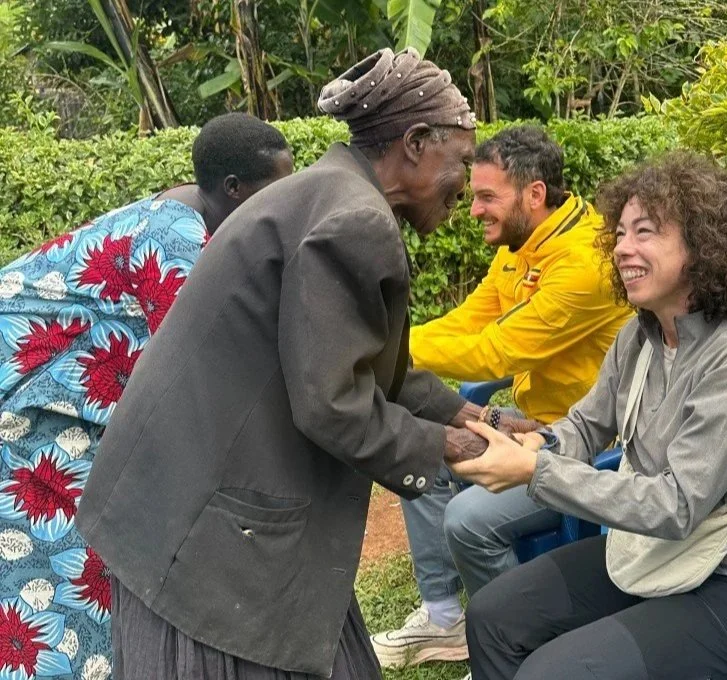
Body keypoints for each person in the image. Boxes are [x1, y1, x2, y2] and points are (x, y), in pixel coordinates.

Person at [75, 48, 484, 680]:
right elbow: (333, 404)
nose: (467, 182)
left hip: (188, 509)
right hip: (210, 534)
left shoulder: (328, 192)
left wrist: (463, 411)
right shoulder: (353, 221)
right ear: (416, 142)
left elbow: (371, 368)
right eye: (461, 160)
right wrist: (451, 448)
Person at [452, 152, 727, 680]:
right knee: (491, 617)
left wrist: (536, 472)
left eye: (645, 232)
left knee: (553, 673)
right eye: (619, 233)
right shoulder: (640, 334)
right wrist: (540, 447)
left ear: (704, 245)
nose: (622, 248)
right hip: (652, 554)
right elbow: (585, 425)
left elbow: (675, 505)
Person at [0, 112, 293, 680]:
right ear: (233, 189)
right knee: (62, 569)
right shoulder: (176, 243)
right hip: (23, 411)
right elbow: (212, 375)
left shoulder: (199, 213)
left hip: (54, 403)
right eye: (276, 192)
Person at [371, 126, 632, 668]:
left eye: (488, 197)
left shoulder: (582, 264)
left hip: (593, 439)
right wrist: (394, 347)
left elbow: (497, 352)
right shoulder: (524, 245)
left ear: (533, 194)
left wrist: (380, 349)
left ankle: (527, 642)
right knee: (421, 451)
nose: (474, 210)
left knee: (468, 520)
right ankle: (445, 617)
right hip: (533, 422)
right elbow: (473, 318)